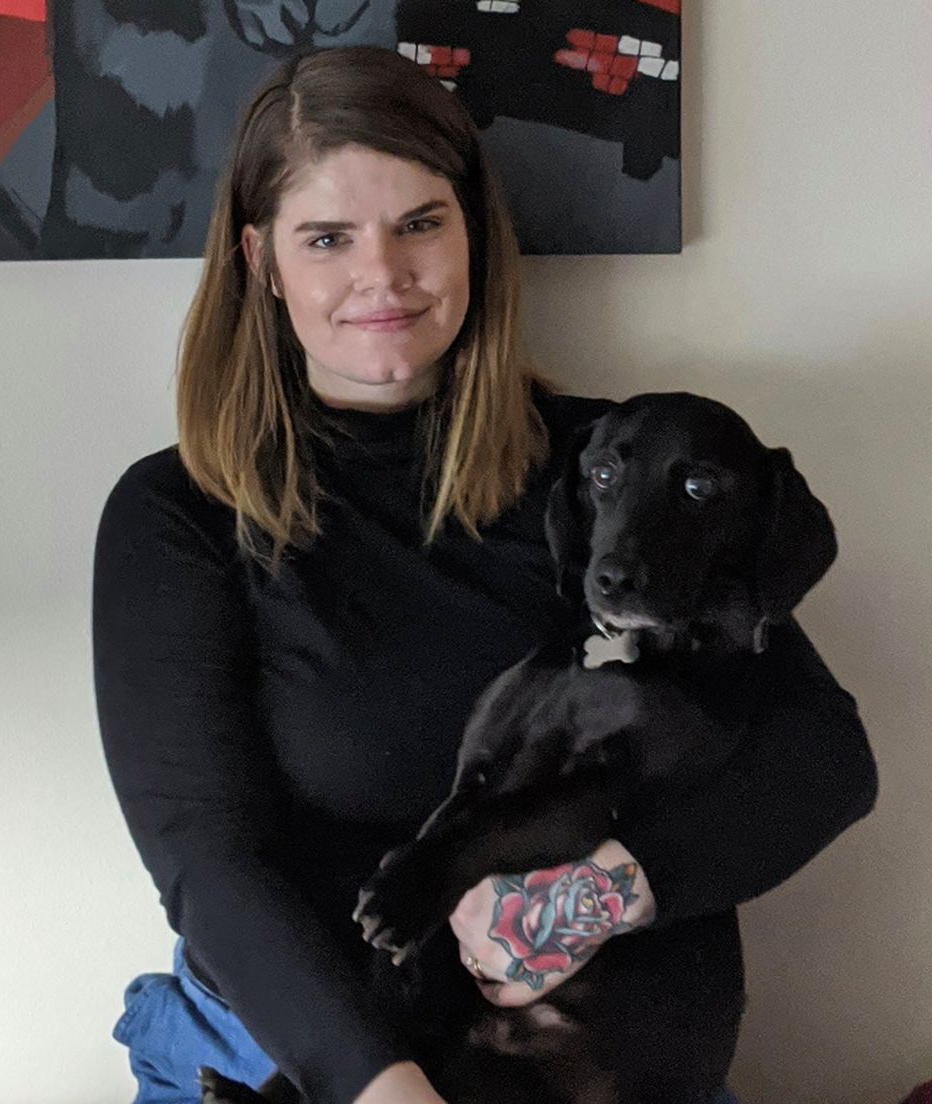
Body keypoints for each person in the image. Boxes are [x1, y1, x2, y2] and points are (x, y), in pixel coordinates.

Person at [91, 45, 877, 1104]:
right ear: (261, 259)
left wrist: (600, 895)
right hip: (302, 1049)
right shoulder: (179, 513)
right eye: (327, 238)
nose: (383, 275)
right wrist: (384, 1089)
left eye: (420, 223)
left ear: (474, 236)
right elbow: (206, 861)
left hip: (577, 1054)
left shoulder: (612, 467)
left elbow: (823, 756)